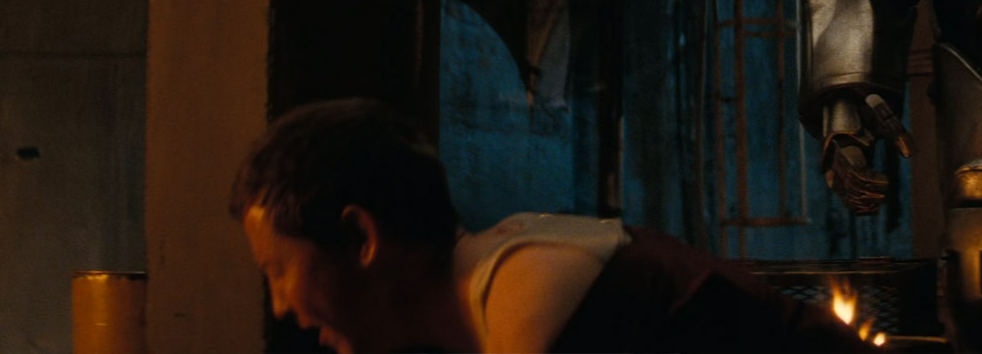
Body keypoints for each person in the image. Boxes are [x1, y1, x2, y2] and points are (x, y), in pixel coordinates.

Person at [229, 98, 874, 354]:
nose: (282, 306)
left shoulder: (531, 295)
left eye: (278, 271)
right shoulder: (500, 275)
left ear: (362, 239)